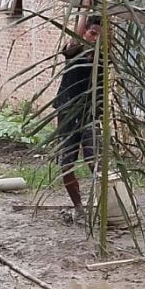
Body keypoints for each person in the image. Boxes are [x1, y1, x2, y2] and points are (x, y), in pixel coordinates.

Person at [52, 14, 104, 222]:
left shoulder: (103, 58)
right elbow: (74, 39)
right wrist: (84, 8)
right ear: (84, 32)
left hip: (90, 115)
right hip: (67, 112)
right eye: (92, 33)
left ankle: (102, 206)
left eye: (100, 36)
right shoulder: (74, 51)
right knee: (67, 163)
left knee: (96, 164)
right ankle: (79, 207)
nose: (94, 39)